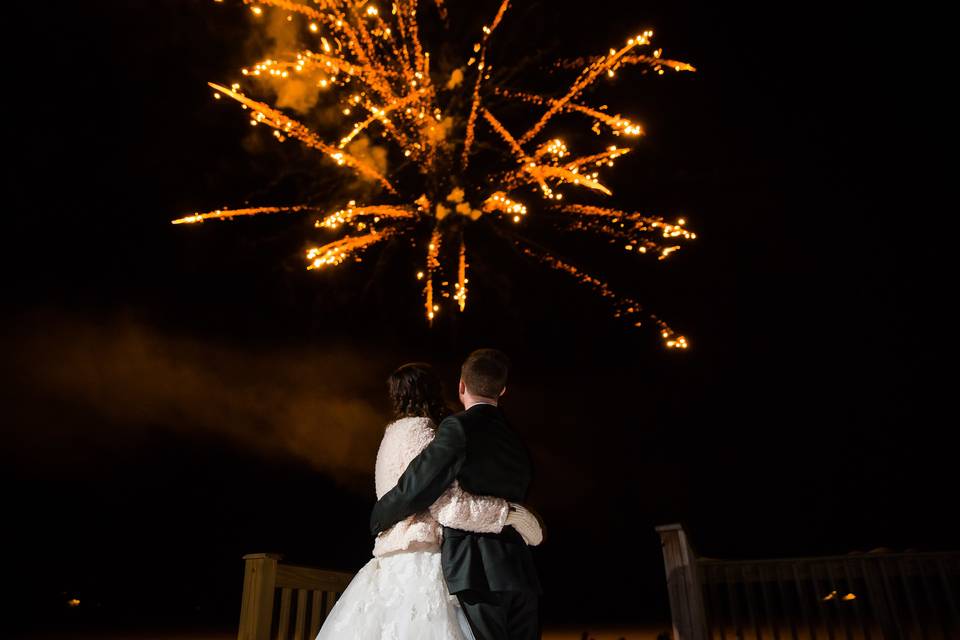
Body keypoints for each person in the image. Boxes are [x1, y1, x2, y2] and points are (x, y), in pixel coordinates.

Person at [315, 362, 542, 640]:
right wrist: (506, 514)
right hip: (422, 555)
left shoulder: (391, 434)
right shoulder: (426, 432)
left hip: (392, 558)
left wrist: (378, 517)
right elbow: (447, 505)